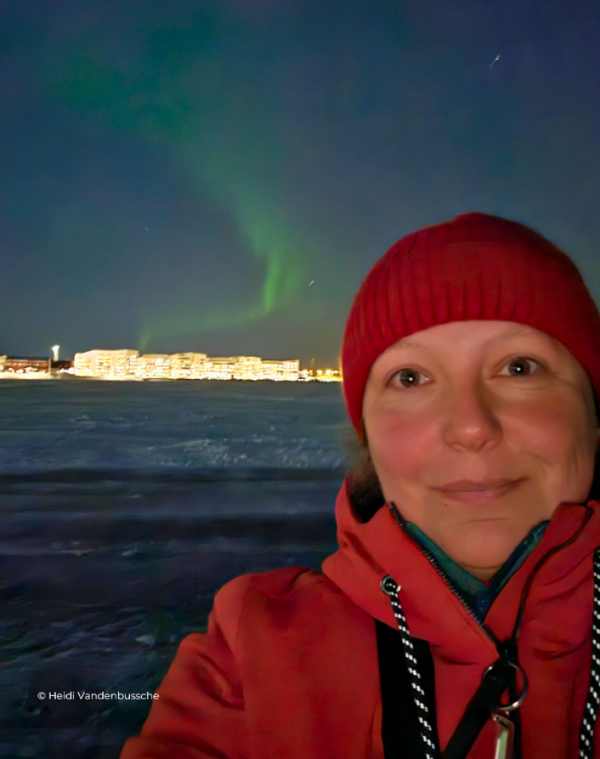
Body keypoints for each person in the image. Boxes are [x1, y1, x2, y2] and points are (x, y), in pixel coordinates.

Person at [119, 212, 600, 759]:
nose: (470, 426)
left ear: (592, 412)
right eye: (411, 378)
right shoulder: (254, 650)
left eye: (520, 368)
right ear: (367, 435)